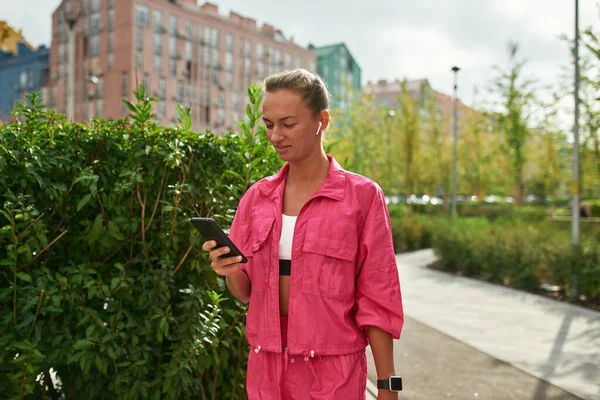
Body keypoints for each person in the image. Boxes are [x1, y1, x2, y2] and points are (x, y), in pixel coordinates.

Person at [202, 69, 403, 400]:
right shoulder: (256, 198)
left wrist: (387, 385)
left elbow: (379, 297)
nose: (275, 135)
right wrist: (229, 271)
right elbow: (245, 293)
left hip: (333, 372)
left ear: (321, 121)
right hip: (266, 367)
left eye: (288, 124)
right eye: (269, 125)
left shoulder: (362, 197)